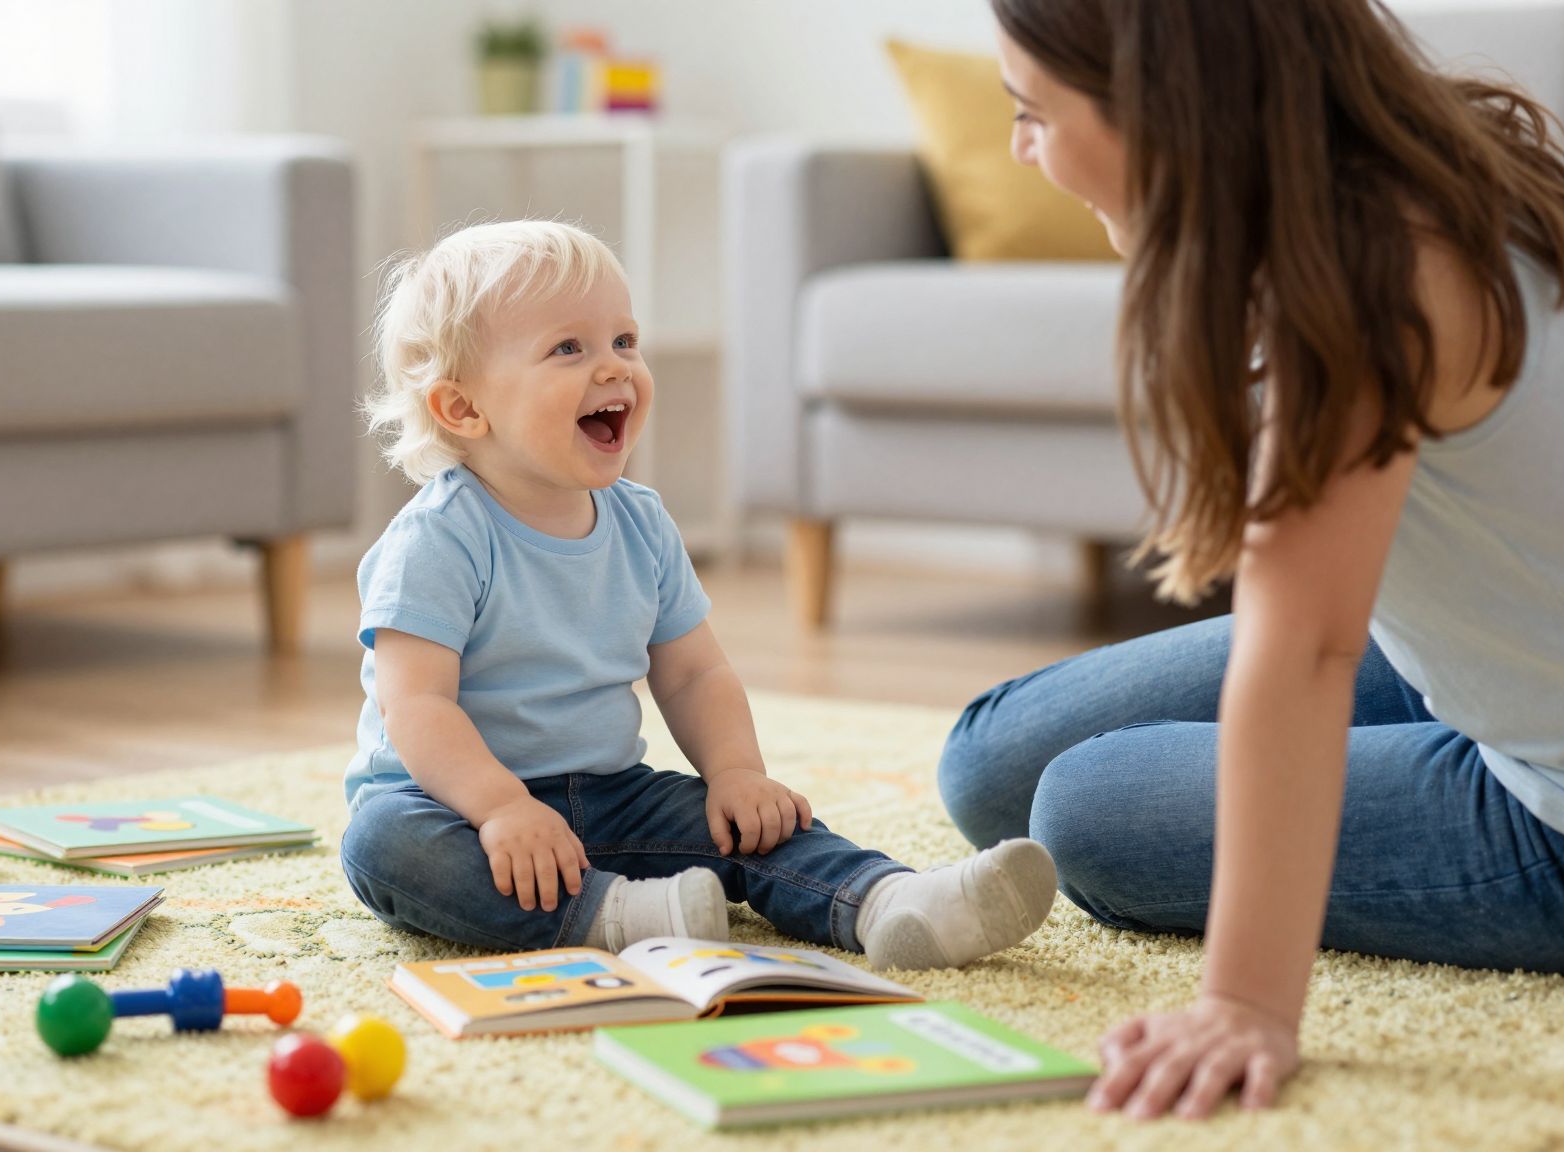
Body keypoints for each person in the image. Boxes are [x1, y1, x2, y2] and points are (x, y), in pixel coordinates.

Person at [936, 0, 1564, 1121]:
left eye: (1029, 112)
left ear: (1157, 108)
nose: (1021, 149)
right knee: (984, 766)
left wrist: (1248, 1002)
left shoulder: (1364, 273)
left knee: (1080, 808)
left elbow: (1300, 649)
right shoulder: (1426, 151)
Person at [340, 220, 1058, 971]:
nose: (616, 369)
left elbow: (693, 673)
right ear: (462, 410)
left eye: (624, 341)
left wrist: (736, 773)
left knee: (749, 824)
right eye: (568, 349)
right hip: (453, 807)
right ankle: (614, 916)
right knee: (382, 845)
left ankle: (888, 901)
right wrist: (501, 807)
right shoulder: (439, 538)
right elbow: (417, 707)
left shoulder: (641, 523)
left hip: (610, 798)